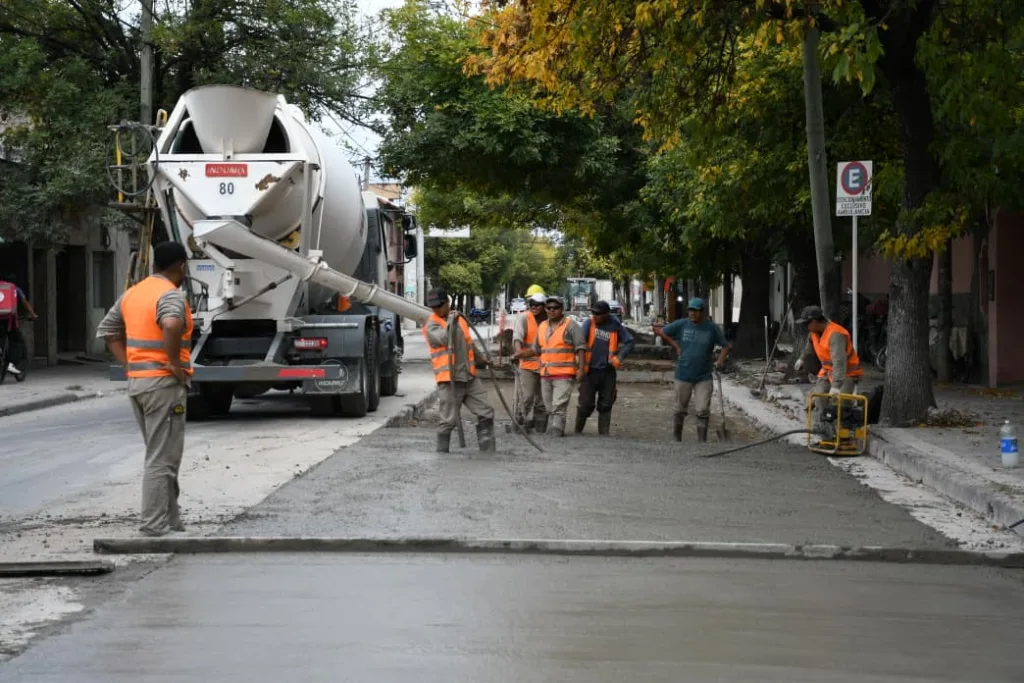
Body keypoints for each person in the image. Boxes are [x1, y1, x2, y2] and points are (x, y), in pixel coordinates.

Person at [96, 242, 193, 537]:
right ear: (181, 266)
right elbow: (172, 324)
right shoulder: (170, 295)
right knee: (162, 458)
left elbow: (108, 331)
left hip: (139, 383)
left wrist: (130, 365)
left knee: (164, 454)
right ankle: (154, 524)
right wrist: (173, 362)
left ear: (154, 265)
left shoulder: (133, 294)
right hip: (163, 384)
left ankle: (171, 520)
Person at [423, 287, 496, 453]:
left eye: (439, 305)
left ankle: (488, 452)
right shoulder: (431, 325)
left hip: (469, 377)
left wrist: (481, 359)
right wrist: (451, 321)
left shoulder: (460, 319)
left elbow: (469, 343)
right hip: (449, 380)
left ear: (447, 303)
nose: (436, 309)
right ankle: (442, 455)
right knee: (448, 421)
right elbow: (444, 338)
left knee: (486, 411)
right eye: (433, 306)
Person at [655, 298, 731, 443]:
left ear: (702, 312)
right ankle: (676, 438)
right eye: (690, 310)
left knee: (702, 409)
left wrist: (720, 360)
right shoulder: (682, 324)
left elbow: (726, 346)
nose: (692, 313)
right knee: (680, 408)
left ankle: (701, 442)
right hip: (683, 374)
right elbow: (662, 331)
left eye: (695, 311)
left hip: (704, 375)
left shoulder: (711, 328)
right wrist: (676, 346)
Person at [528, 296, 586, 437]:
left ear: (562, 309)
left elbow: (581, 348)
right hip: (546, 373)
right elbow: (535, 349)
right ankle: (553, 429)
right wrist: (518, 355)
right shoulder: (542, 326)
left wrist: (581, 369)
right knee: (549, 407)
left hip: (564, 373)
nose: (552, 310)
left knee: (559, 405)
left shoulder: (571, 325)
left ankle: (557, 430)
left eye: (556, 308)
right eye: (549, 308)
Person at [574, 300, 635, 435]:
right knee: (585, 404)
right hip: (589, 371)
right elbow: (580, 344)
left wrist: (619, 358)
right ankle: (577, 432)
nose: (595, 316)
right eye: (594, 313)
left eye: (598, 314)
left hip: (607, 372)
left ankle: (603, 436)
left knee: (606, 404)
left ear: (607, 314)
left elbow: (630, 342)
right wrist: (580, 368)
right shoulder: (588, 324)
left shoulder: (615, 325)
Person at [793, 304, 863, 402]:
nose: (805, 327)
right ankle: (820, 411)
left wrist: (836, 386)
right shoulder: (813, 333)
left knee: (839, 403)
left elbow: (839, 362)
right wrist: (802, 359)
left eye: (806, 324)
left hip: (846, 373)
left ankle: (842, 409)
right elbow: (809, 348)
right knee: (817, 399)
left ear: (814, 322)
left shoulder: (836, 335)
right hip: (827, 372)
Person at [511, 292, 549, 433]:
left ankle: (540, 427)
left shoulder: (549, 320)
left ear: (544, 306)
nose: (534, 307)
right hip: (528, 364)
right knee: (526, 397)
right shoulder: (524, 318)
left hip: (546, 365)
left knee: (543, 400)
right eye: (532, 304)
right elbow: (517, 337)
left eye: (537, 305)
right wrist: (518, 352)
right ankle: (520, 423)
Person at [0, 273, 39, 376]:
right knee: (16, 341)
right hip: (8, 320)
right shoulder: (15, 288)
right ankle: (11, 364)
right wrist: (33, 314)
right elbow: (24, 302)